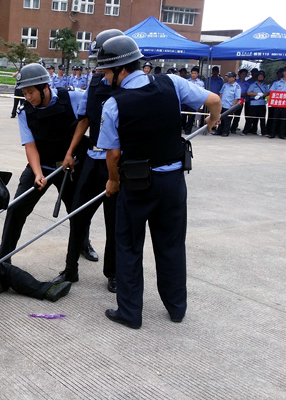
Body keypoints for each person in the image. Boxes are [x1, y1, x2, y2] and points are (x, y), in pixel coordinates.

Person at [94, 34, 221, 329]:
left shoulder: (114, 104)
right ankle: (176, 308)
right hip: (173, 183)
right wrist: (212, 120)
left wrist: (112, 182)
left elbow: (112, 155)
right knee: (172, 245)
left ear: (121, 70)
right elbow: (213, 100)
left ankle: (130, 312)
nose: (104, 76)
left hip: (136, 186)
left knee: (128, 246)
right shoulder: (171, 84)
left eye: (106, 71)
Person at [53, 29, 124, 292]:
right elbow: (83, 120)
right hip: (92, 158)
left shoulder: (129, 87)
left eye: (104, 62)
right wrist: (70, 152)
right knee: (78, 215)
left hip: (115, 162)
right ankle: (70, 269)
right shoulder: (94, 83)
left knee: (114, 221)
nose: (99, 68)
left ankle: (113, 273)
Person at [0, 63, 89, 264]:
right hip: (43, 165)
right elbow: (30, 145)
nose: (27, 97)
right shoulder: (24, 111)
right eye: (24, 92)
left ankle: (83, 244)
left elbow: (87, 119)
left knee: (78, 210)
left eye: (30, 92)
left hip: (70, 167)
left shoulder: (72, 98)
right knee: (16, 208)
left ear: (45, 87)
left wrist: (71, 153)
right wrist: (38, 173)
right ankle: (4, 259)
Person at [267, 66, 286, 139]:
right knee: (275, 119)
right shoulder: (276, 83)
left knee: (284, 119)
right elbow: (271, 92)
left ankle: (282, 134)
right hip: (277, 104)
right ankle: (272, 133)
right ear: (282, 72)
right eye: (285, 71)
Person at [181, 66, 205, 135]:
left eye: (195, 73)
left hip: (193, 102)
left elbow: (201, 93)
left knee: (191, 117)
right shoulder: (186, 81)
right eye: (192, 73)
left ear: (197, 74)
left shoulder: (200, 83)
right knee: (183, 116)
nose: (193, 74)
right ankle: (183, 127)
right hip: (185, 101)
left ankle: (188, 130)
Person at [217, 72, 241, 137]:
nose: (228, 78)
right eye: (227, 77)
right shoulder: (225, 85)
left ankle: (225, 132)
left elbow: (237, 98)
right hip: (222, 104)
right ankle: (219, 131)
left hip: (229, 106)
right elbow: (221, 93)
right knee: (220, 118)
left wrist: (233, 107)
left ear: (234, 78)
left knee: (227, 120)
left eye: (229, 77)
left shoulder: (237, 87)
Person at [246, 71, 270, 135]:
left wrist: (263, 94)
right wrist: (257, 94)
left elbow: (268, 92)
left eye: (262, 76)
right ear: (257, 77)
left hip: (262, 103)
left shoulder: (264, 85)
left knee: (262, 119)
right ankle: (245, 131)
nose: (261, 77)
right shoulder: (253, 85)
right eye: (259, 76)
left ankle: (263, 132)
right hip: (254, 103)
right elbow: (249, 92)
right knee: (250, 118)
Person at [231, 69, 250, 134]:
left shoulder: (247, 83)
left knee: (237, 115)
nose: (244, 75)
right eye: (242, 74)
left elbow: (248, 93)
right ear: (239, 74)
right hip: (233, 100)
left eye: (245, 74)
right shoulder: (235, 82)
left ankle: (233, 128)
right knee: (230, 114)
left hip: (241, 101)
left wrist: (239, 95)